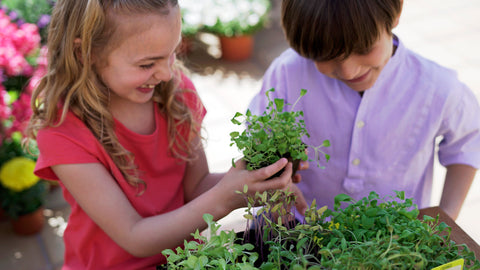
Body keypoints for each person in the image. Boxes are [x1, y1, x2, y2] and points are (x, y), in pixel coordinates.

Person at [25, 0, 302, 269]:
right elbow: (135, 236)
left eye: (172, 53)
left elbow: (197, 187)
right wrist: (224, 198)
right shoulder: (64, 131)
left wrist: (250, 183)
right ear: (85, 53)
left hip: (184, 260)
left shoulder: (176, 95)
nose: (168, 73)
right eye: (147, 64)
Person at [249, 0, 480, 221]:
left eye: (363, 48)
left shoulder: (436, 85)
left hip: (395, 241)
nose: (349, 71)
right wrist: (279, 184)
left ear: (397, 10)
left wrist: (447, 213)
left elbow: (468, 140)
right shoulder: (288, 73)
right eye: (327, 56)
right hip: (302, 229)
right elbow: (260, 133)